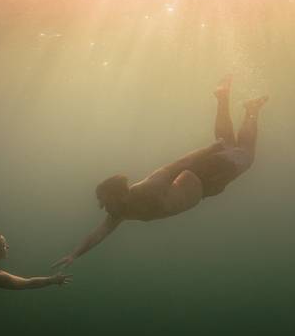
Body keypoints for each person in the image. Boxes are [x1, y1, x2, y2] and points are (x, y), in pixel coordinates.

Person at [52, 75, 269, 270]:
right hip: (205, 186)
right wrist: (74, 255)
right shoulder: (119, 212)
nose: (103, 208)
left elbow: (176, 165)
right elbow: (97, 235)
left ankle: (251, 110)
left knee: (245, 156)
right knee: (230, 144)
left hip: (204, 174)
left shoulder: (146, 189)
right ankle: (224, 99)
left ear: (119, 194)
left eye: (104, 202)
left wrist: (209, 150)